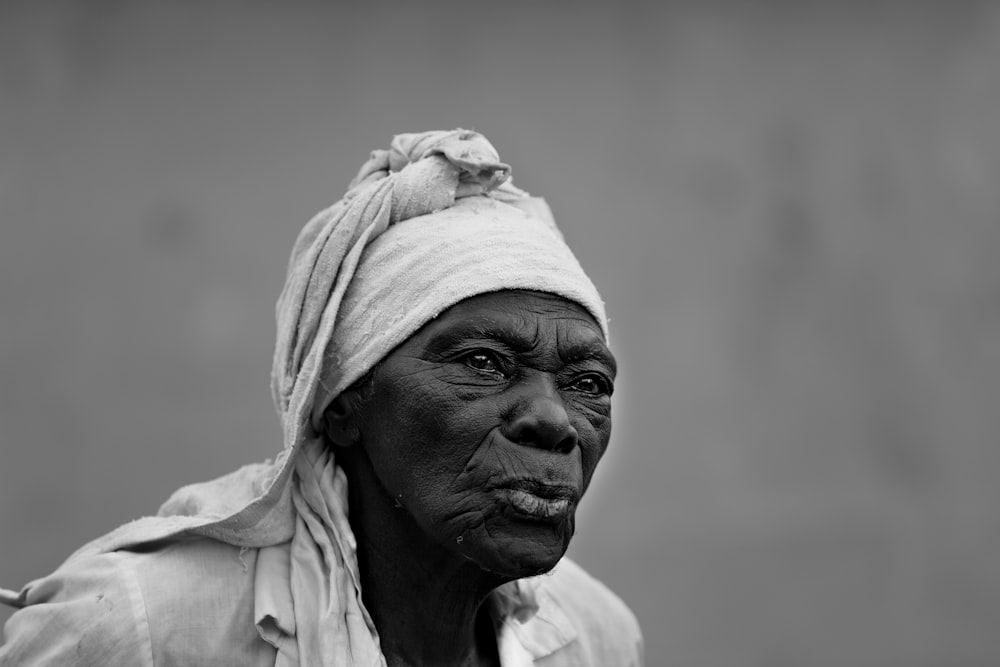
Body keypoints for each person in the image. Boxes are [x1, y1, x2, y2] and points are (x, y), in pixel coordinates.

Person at [0, 129, 642, 666]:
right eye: (483, 363)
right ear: (341, 405)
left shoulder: (595, 638)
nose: (555, 421)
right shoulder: (142, 628)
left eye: (589, 384)